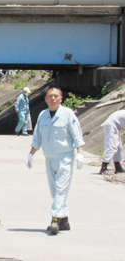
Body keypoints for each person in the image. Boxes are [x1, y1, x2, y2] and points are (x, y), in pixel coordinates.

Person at [26, 86, 85, 235]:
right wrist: (31, 154)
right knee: (55, 191)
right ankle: (64, 220)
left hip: (65, 157)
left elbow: (77, 135)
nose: (53, 99)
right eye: (50, 96)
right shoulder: (43, 115)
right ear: (45, 99)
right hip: (49, 158)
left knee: (60, 189)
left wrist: (80, 153)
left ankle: (55, 220)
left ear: (61, 99)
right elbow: (37, 137)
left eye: (56, 96)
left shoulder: (67, 114)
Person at [99, 110, 125, 174]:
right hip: (111, 124)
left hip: (115, 125)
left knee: (119, 147)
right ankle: (104, 167)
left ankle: (118, 167)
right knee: (111, 146)